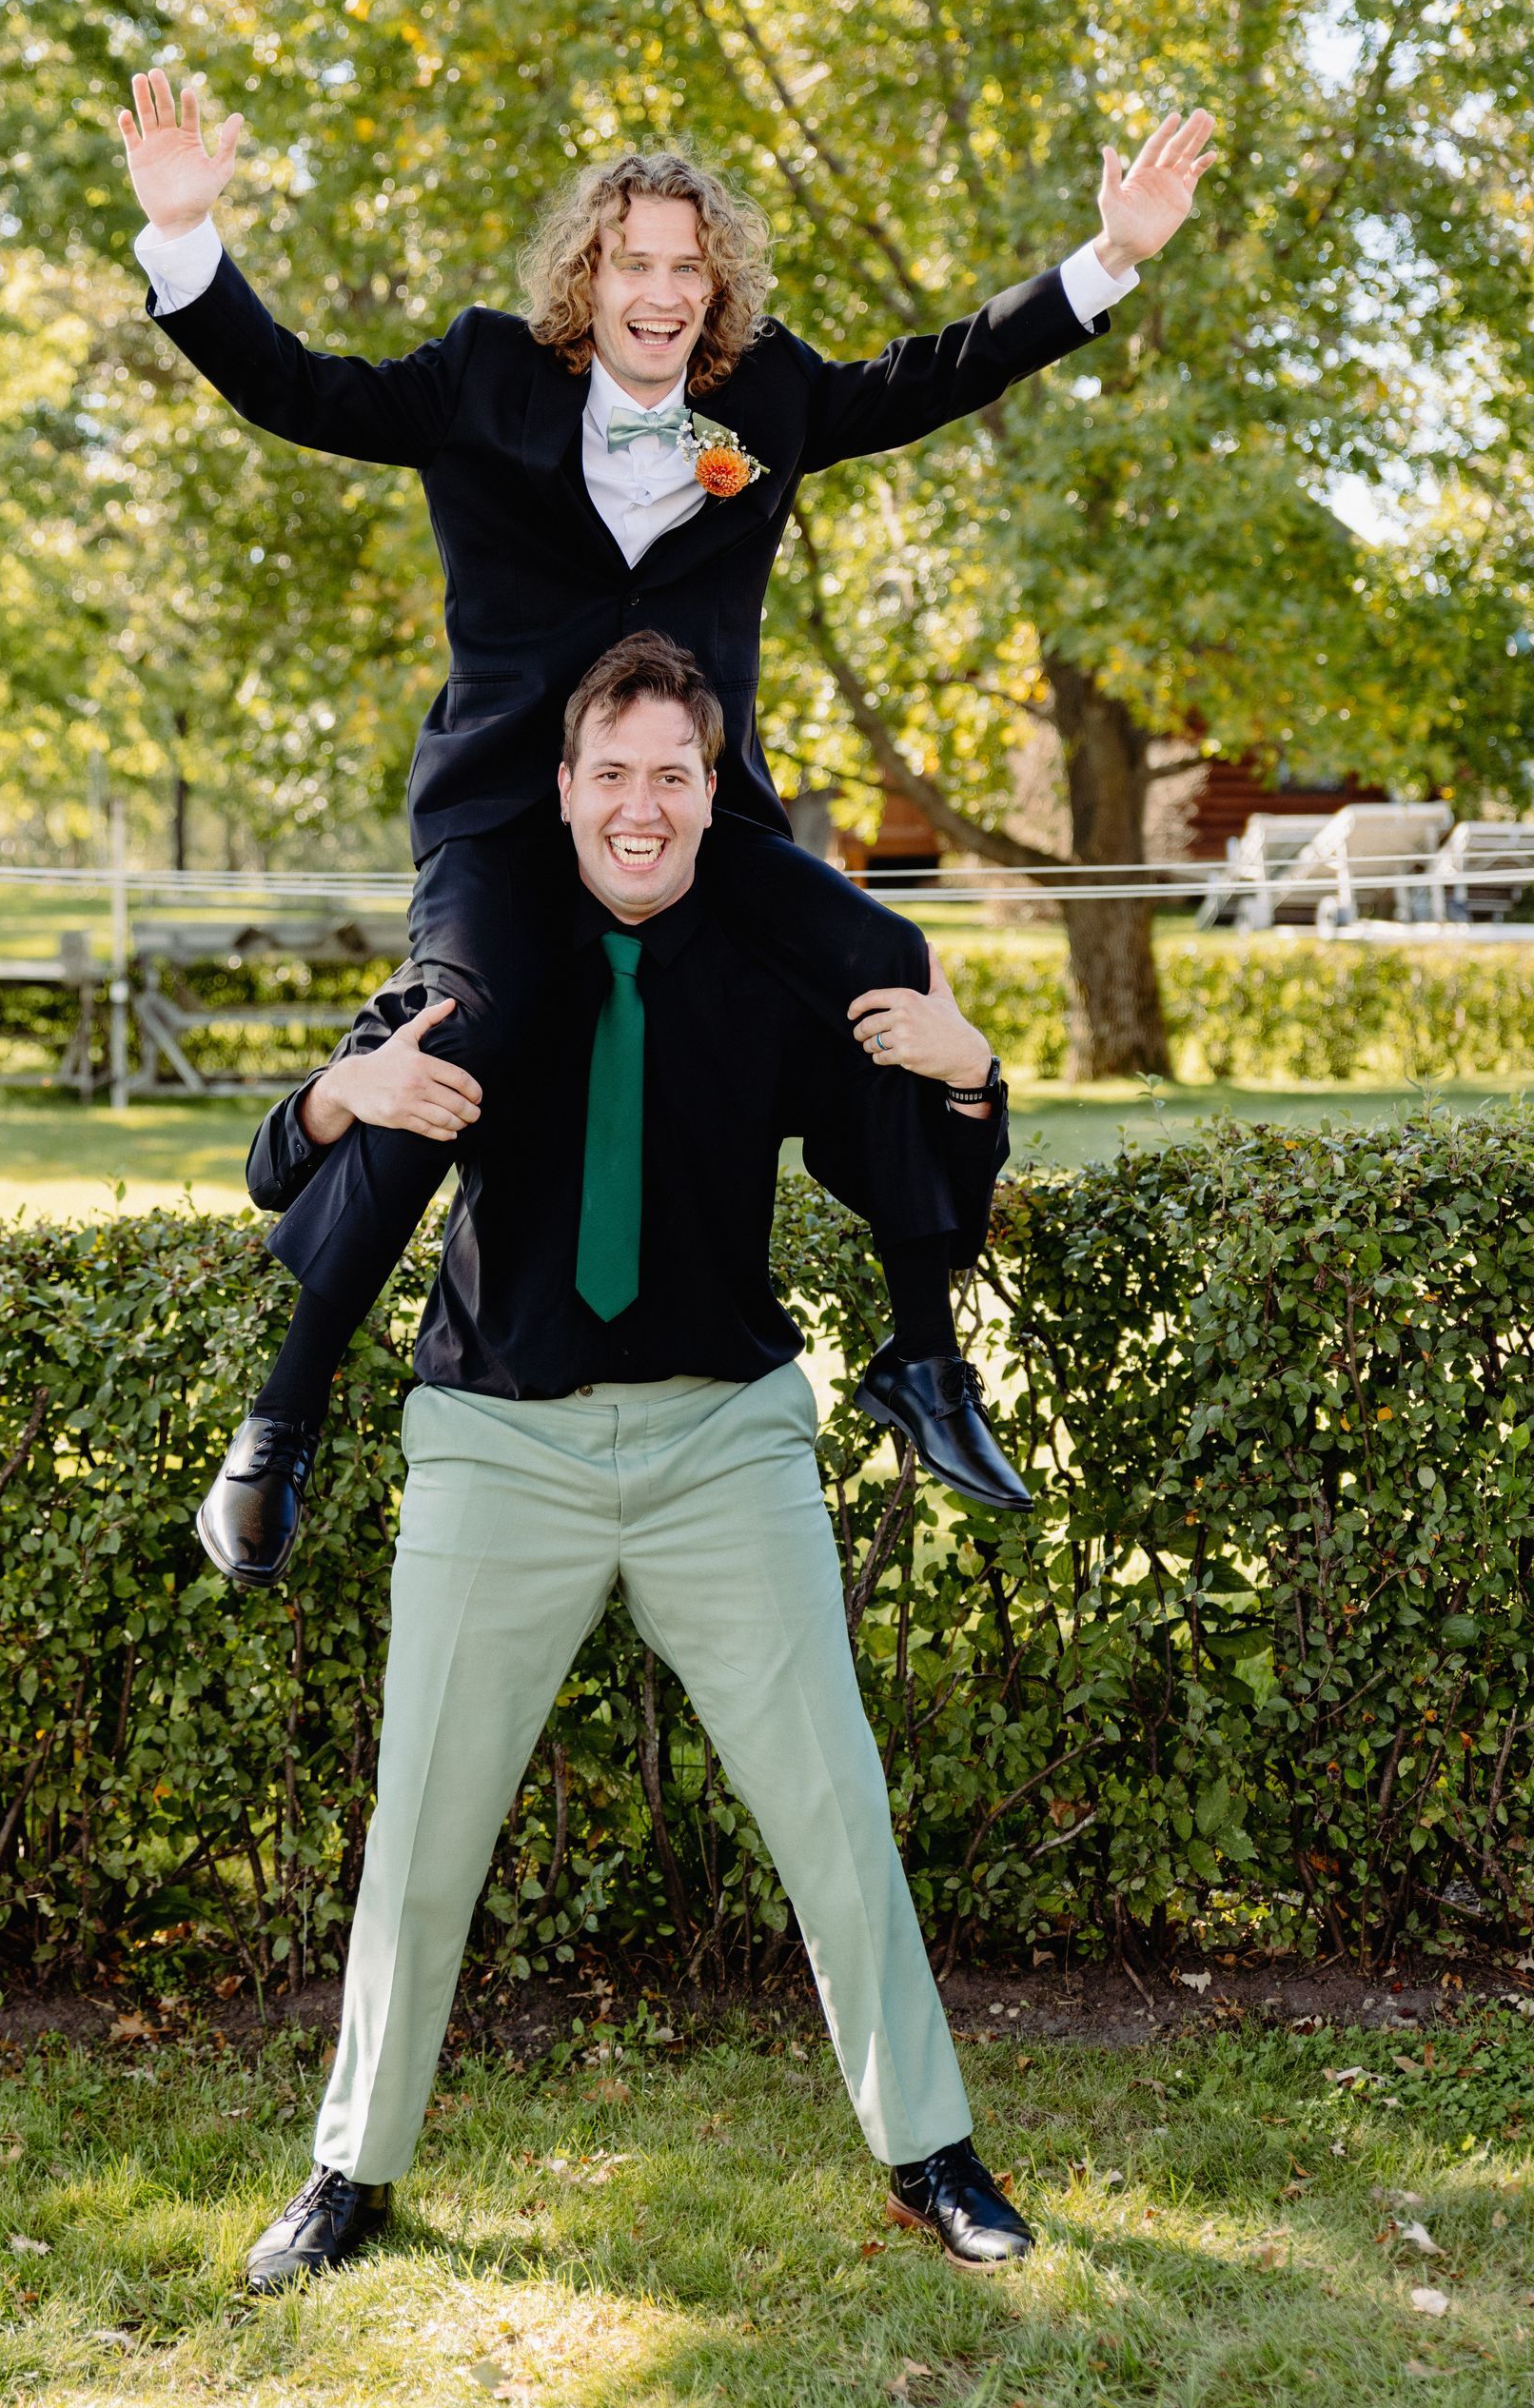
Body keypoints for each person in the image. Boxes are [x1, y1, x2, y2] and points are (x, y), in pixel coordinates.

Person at [117, 79, 1215, 1569]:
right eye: (635, 262)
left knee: (882, 955)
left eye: (688, 268)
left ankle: (923, 1356)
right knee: (451, 1040)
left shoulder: (764, 403)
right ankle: (282, 1421)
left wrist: (1109, 260)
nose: (661, 291)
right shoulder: (484, 378)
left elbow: (935, 373)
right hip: (510, 813)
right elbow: (304, 392)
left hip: (691, 814)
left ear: (719, 290)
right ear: (590, 275)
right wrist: (184, 237)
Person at [239, 638, 1032, 2292]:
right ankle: (347, 2172)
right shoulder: (493, 959)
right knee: (425, 1835)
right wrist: (332, 1093)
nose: (642, 805)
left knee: (834, 1812)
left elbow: (903, 1164)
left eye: (675, 774)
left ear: (711, 796)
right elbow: (278, 1166)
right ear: (564, 794)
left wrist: (979, 1085)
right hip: (495, 1451)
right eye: (613, 775)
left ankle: (933, 2153)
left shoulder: (763, 965)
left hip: (717, 1446)